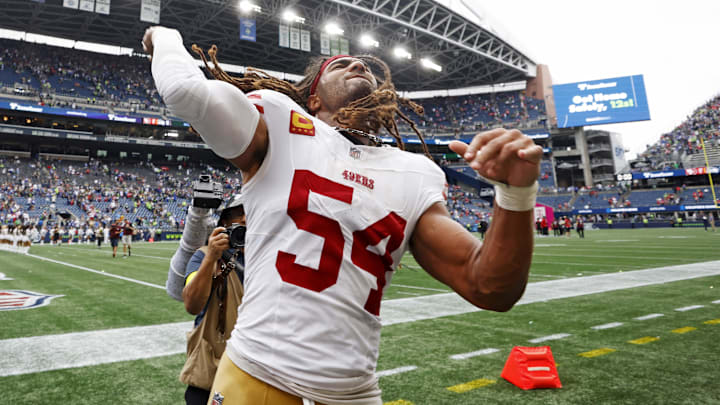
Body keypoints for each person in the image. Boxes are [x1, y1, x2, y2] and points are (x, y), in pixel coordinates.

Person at [146, 26, 542, 405]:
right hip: (256, 374)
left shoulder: (413, 172)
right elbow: (185, 91)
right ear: (313, 99)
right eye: (341, 64)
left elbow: (490, 288)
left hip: (355, 391)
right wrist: (166, 37)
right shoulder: (281, 124)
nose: (359, 65)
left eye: (366, 65)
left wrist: (516, 193)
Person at [181, 195, 247, 405]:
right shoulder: (204, 256)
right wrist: (211, 257)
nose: (245, 223)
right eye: (239, 218)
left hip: (253, 368)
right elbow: (192, 304)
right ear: (224, 224)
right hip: (212, 369)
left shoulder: (267, 258)